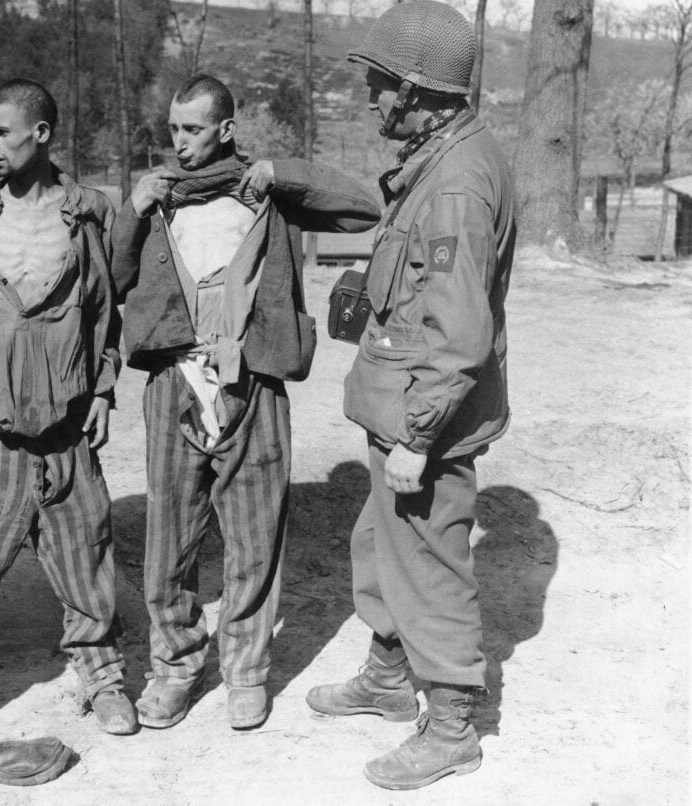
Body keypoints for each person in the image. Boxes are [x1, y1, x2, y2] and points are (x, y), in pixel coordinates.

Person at [111, 74, 380, 731]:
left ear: (225, 129)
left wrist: (280, 173)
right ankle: (174, 668)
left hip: (254, 381)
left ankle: (246, 674)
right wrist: (132, 210)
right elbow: (111, 277)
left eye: (193, 129)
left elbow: (362, 208)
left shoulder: (268, 194)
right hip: (175, 380)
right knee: (169, 535)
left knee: (255, 537)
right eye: (174, 129)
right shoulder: (162, 199)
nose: (180, 142)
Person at [305, 0, 516, 791]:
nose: (373, 99)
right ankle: (390, 678)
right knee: (379, 544)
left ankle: (454, 723)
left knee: (430, 564)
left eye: (384, 85)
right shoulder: (441, 157)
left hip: (425, 416)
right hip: (403, 403)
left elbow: (458, 332)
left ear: (421, 92)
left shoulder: (456, 183)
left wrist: (419, 438)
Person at [0, 78, 135, 739]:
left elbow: (103, 310)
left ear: (40, 134)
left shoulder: (89, 211)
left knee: (85, 544)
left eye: (1, 132)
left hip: (66, 415)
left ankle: (102, 675)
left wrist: (102, 389)